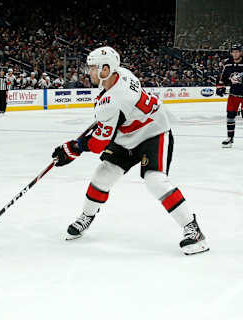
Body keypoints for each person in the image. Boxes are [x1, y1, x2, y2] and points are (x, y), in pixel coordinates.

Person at [51, 46, 209, 255]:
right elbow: (111, 120)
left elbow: (98, 142)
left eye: (92, 68)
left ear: (105, 69)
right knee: (103, 175)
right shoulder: (122, 74)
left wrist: (74, 148)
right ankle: (87, 216)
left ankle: (194, 231)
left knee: (155, 180)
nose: (88, 72)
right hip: (127, 137)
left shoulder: (113, 100)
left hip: (154, 132)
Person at [216, 43, 243, 148]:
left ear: (241, 52)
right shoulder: (228, 64)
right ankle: (230, 138)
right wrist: (220, 88)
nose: (235, 54)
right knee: (230, 116)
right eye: (233, 52)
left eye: (237, 51)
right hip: (233, 94)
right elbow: (222, 78)